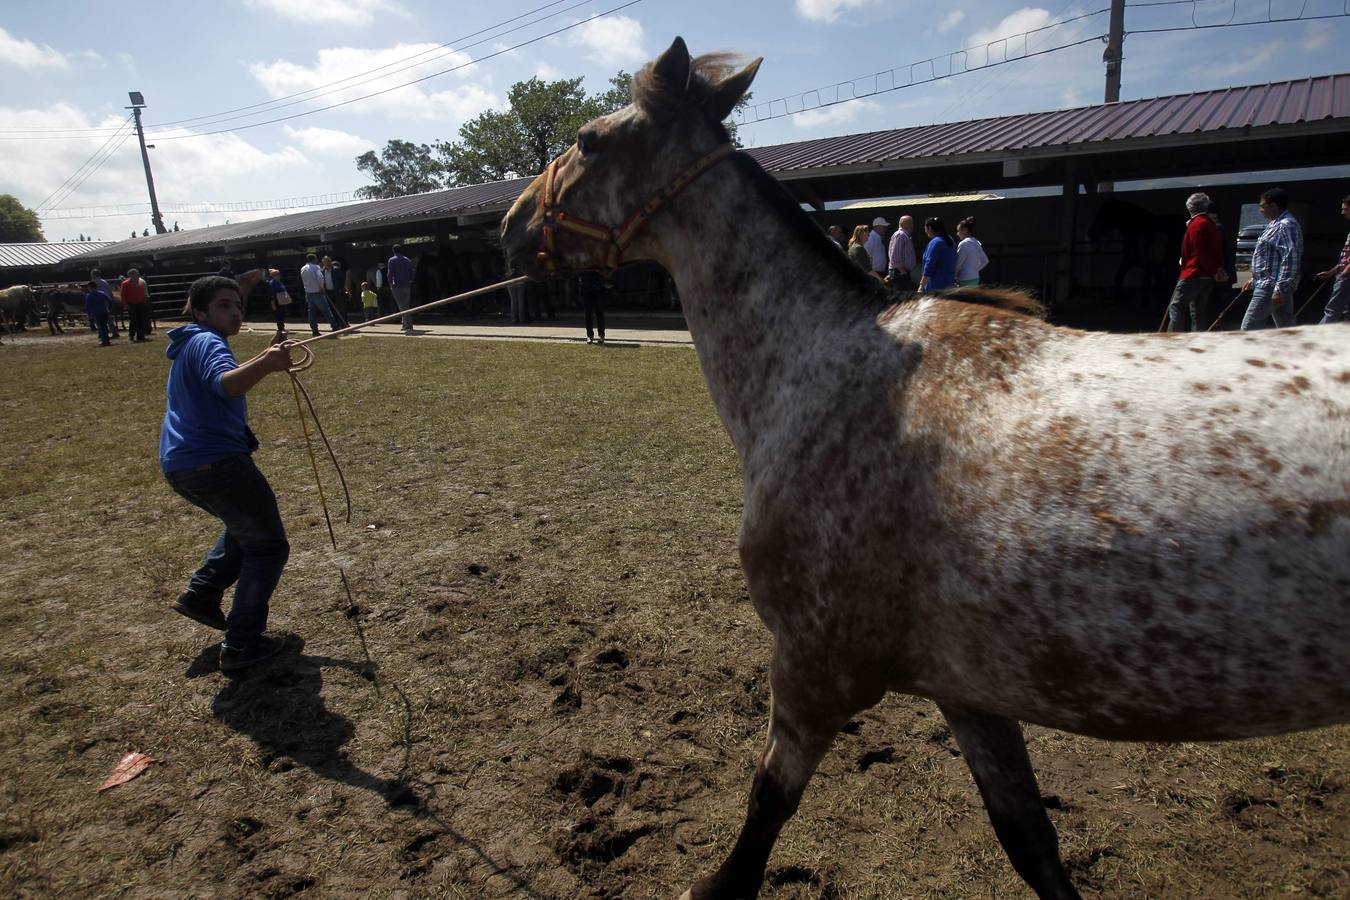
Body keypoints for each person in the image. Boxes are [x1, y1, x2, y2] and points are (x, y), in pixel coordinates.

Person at [161, 275, 295, 672]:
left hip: (185, 466)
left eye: (237, 304)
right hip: (216, 463)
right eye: (223, 305)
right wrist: (268, 364)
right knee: (267, 546)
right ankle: (241, 645)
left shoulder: (193, 341)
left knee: (245, 527)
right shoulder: (207, 341)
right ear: (200, 311)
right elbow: (224, 385)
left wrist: (262, 358)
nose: (235, 312)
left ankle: (202, 594)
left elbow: (221, 378)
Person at [1241, 188, 1302, 330]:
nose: (1260, 210)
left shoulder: (1286, 225)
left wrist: (1280, 288)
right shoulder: (1274, 224)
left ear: (1273, 205)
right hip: (1270, 283)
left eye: (1262, 206)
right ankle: (1296, 351)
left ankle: (1247, 353)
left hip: (1270, 286)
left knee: (1248, 328)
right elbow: (1270, 257)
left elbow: (1290, 257)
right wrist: (1254, 278)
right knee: (1286, 326)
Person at [1167, 193, 1225, 332]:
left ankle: (1171, 340)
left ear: (1189, 207)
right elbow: (1217, 250)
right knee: (1198, 311)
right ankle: (1198, 340)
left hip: (1193, 273)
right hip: (1207, 276)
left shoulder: (1196, 225)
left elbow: (1199, 253)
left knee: (1176, 307)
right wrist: (1217, 269)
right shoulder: (1211, 224)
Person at [1315, 194, 1350, 324]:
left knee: (1332, 310)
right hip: (1343, 274)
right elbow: (1345, 258)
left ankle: (1318, 339)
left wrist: (1345, 273)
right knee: (1346, 311)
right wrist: (1332, 272)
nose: (1343, 212)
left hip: (1347, 277)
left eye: (1345, 209)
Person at [299, 253, 337, 337]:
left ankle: (314, 330)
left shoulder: (303, 268)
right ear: (314, 259)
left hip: (308, 292)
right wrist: (322, 287)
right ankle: (334, 326)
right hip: (317, 292)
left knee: (312, 313)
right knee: (326, 310)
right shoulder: (316, 267)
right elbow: (320, 277)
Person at [917, 216, 956, 293]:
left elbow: (929, 265)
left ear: (930, 228)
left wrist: (921, 285)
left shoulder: (935, 242)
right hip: (949, 284)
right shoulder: (950, 240)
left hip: (935, 287)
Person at [119, 267, 153, 342]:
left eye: (137, 273)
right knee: (133, 320)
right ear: (131, 275)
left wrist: (144, 301)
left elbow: (144, 293)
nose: (137, 274)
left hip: (141, 304)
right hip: (131, 304)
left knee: (141, 320)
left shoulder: (141, 282)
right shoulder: (125, 283)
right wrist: (125, 304)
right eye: (136, 273)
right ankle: (131, 335)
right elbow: (123, 295)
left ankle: (141, 336)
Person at [954, 217, 990, 287]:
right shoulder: (976, 242)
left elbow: (958, 264)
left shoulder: (963, 244)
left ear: (965, 230)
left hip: (964, 279)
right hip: (975, 278)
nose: (957, 234)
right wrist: (974, 270)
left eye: (958, 231)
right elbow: (985, 261)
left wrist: (954, 276)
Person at [387, 244, 415, 334]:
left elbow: (390, 273)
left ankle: (408, 325)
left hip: (397, 285)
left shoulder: (392, 260)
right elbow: (412, 272)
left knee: (402, 306)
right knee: (405, 304)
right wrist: (410, 281)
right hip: (407, 285)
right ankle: (404, 323)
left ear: (393, 250)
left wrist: (391, 283)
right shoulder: (407, 260)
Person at [887, 215, 917, 290]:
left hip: (901, 272)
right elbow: (895, 255)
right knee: (902, 297)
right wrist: (902, 271)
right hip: (900, 272)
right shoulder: (901, 235)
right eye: (910, 223)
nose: (912, 225)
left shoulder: (905, 235)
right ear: (904, 224)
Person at [320, 256, 349, 329]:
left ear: (330, 262)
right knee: (331, 310)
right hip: (328, 292)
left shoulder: (336, 270)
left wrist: (341, 288)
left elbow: (343, 279)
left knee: (341, 308)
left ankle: (343, 324)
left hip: (337, 291)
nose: (326, 263)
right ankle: (335, 325)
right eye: (324, 262)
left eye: (327, 261)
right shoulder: (322, 271)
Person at [578, 271, 607, 344]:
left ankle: (601, 334)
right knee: (588, 313)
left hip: (598, 286)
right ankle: (590, 335)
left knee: (599, 312)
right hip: (586, 286)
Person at [91, 267, 119, 338]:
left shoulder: (93, 283)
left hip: (98, 303)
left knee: (98, 319)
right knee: (108, 318)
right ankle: (114, 332)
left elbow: (92, 293)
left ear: (94, 275)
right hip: (106, 301)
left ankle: (101, 333)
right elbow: (110, 292)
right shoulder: (105, 282)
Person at [84, 279, 113, 346]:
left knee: (100, 327)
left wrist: (89, 313)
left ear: (90, 287)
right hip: (104, 312)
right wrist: (109, 308)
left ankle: (104, 340)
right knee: (105, 326)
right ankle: (107, 339)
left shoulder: (89, 295)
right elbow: (109, 300)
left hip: (96, 313)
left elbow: (88, 306)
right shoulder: (102, 293)